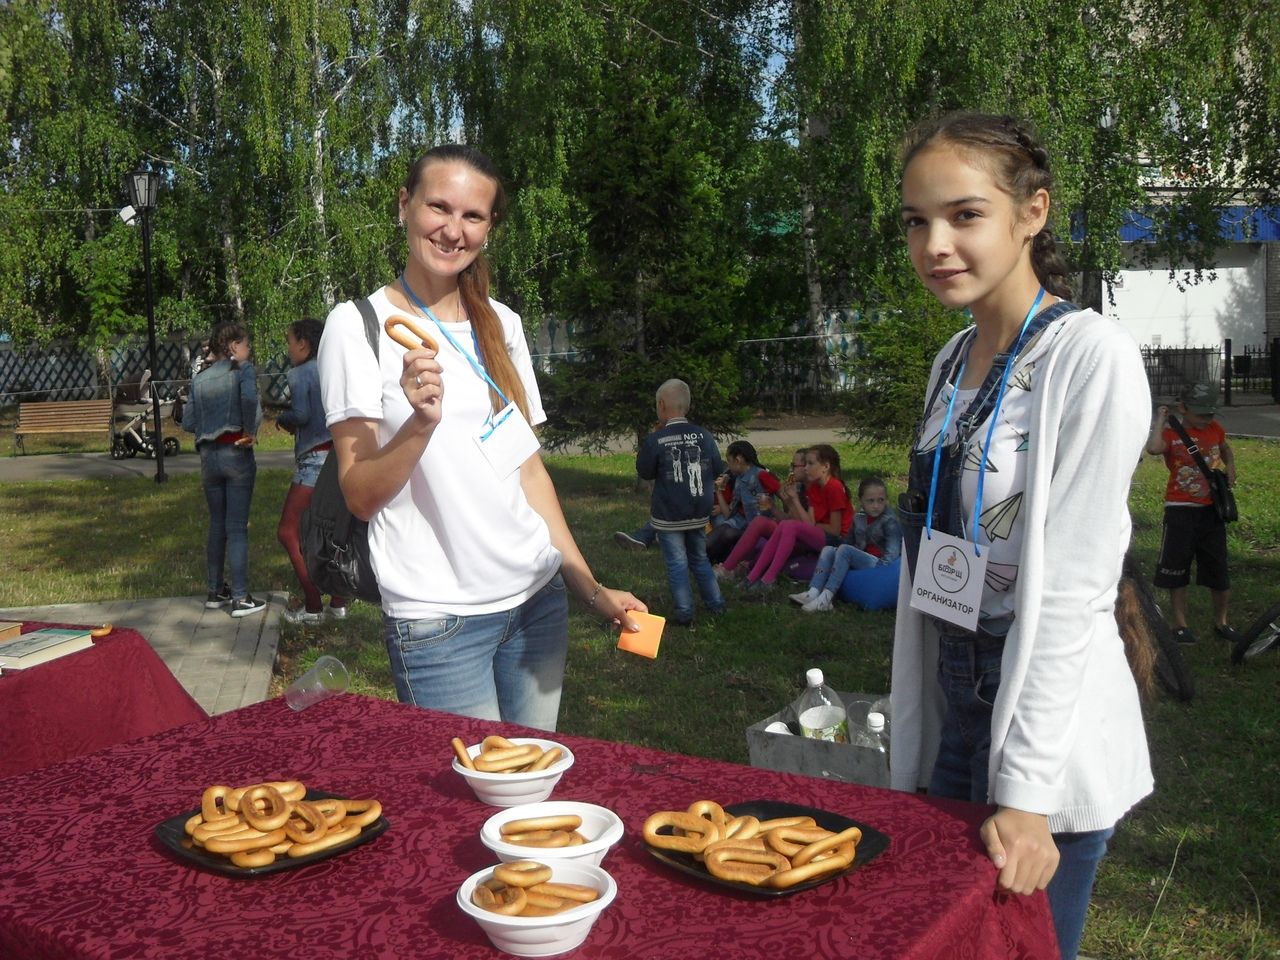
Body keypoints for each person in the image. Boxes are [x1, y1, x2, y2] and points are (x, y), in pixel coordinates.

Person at [889, 111, 1152, 960]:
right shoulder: (949, 361)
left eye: (964, 215)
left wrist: (1031, 795)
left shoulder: (1091, 355)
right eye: (916, 221)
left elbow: (1074, 586)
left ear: (1031, 212)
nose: (936, 243)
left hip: (1041, 718)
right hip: (953, 693)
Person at [318, 143, 644, 731]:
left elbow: (528, 475)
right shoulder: (356, 326)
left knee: (533, 793)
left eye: (472, 216)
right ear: (404, 205)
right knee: (471, 807)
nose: (452, 230)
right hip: (439, 623)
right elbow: (359, 494)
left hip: (537, 604)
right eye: (438, 207)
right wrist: (420, 424)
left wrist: (591, 589)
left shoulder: (501, 323)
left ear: (490, 228)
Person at [182, 320, 266, 618]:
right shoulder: (240, 370)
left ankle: (215, 591)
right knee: (237, 527)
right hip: (236, 450)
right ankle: (241, 598)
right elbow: (249, 399)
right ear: (233, 347)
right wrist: (248, 428)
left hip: (208, 458)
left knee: (217, 524)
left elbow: (188, 422)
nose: (249, 350)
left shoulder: (199, 379)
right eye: (245, 345)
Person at [1145, 381, 1238, 644]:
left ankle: (1221, 621)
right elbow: (1153, 448)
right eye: (1201, 414)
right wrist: (1161, 419)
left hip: (1211, 511)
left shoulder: (1215, 429)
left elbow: (1226, 448)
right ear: (1183, 408)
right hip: (1180, 510)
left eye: (1210, 414)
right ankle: (1180, 624)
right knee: (1177, 568)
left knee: (1218, 569)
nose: (1206, 419)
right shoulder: (1173, 435)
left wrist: (1230, 466)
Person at [636, 379, 725, 626]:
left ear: (661, 406)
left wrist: (651, 441)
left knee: (677, 563)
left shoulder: (658, 439)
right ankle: (716, 604)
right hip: (699, 512)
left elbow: (645, 471)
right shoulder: (704, 436)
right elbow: (718, 467)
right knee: (699, 559)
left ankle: (685, 612)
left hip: (669, 515)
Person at [276, 317, 348, 624]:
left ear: (303, 344)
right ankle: (340, 601)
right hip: (337, 457)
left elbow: (302, 414)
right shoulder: (331, 368)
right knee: (332, 530)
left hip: (312, 462)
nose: (289, 348)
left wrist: (284, 417)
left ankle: (313, 604)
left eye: (290, 342)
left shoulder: (298, 373)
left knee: (289, 531)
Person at [733, 443, 851, 595]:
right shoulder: (814, 487)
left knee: (791, 526)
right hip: (821, 537)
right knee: (787, 526)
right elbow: (810, 523)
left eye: (810, 463)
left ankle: (768, 579)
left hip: (839, 542)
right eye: (805, 463)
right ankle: (752, 577)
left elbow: (835, 530)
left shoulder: (834, 487)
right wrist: (794, 499)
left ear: (825, 467)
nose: (806, 468)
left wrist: (811, 527)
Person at [790, 475, 901, 612]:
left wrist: (849, 556)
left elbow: (892, 554)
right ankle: (813, 591)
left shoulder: (890, 521)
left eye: (881, 500)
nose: (876, 505)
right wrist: (838, 556)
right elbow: (848, 542)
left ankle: (827, 597)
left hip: (880, 564)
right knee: (829, 550)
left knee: (844, 550)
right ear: (861, 501)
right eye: (870, 501)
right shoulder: (859, 517)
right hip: (862, 557)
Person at [712, 447, 809, 580]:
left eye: (794, 465)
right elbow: (788, 519)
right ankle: (705, 563)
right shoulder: (739, 480)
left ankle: (733, 569)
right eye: (791, 465)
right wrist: (776, 505)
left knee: (751, 535)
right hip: (749, 524)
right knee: (724, 529)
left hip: (786, 534)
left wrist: (789, 500)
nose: (791, 469)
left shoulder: (761, 475)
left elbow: (804, 525)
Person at [705, 440, 781, 564]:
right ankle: (702, 561)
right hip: (740, 522)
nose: (728, 466)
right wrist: (718, 491)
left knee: (727, 534)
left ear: (738, 459)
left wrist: (778, 512)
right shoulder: (739, 480)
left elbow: (782, 493)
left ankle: (709, 562)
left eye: (729, 461)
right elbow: (729, 514)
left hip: (757, 526)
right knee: (719, 533)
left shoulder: (761, 475)